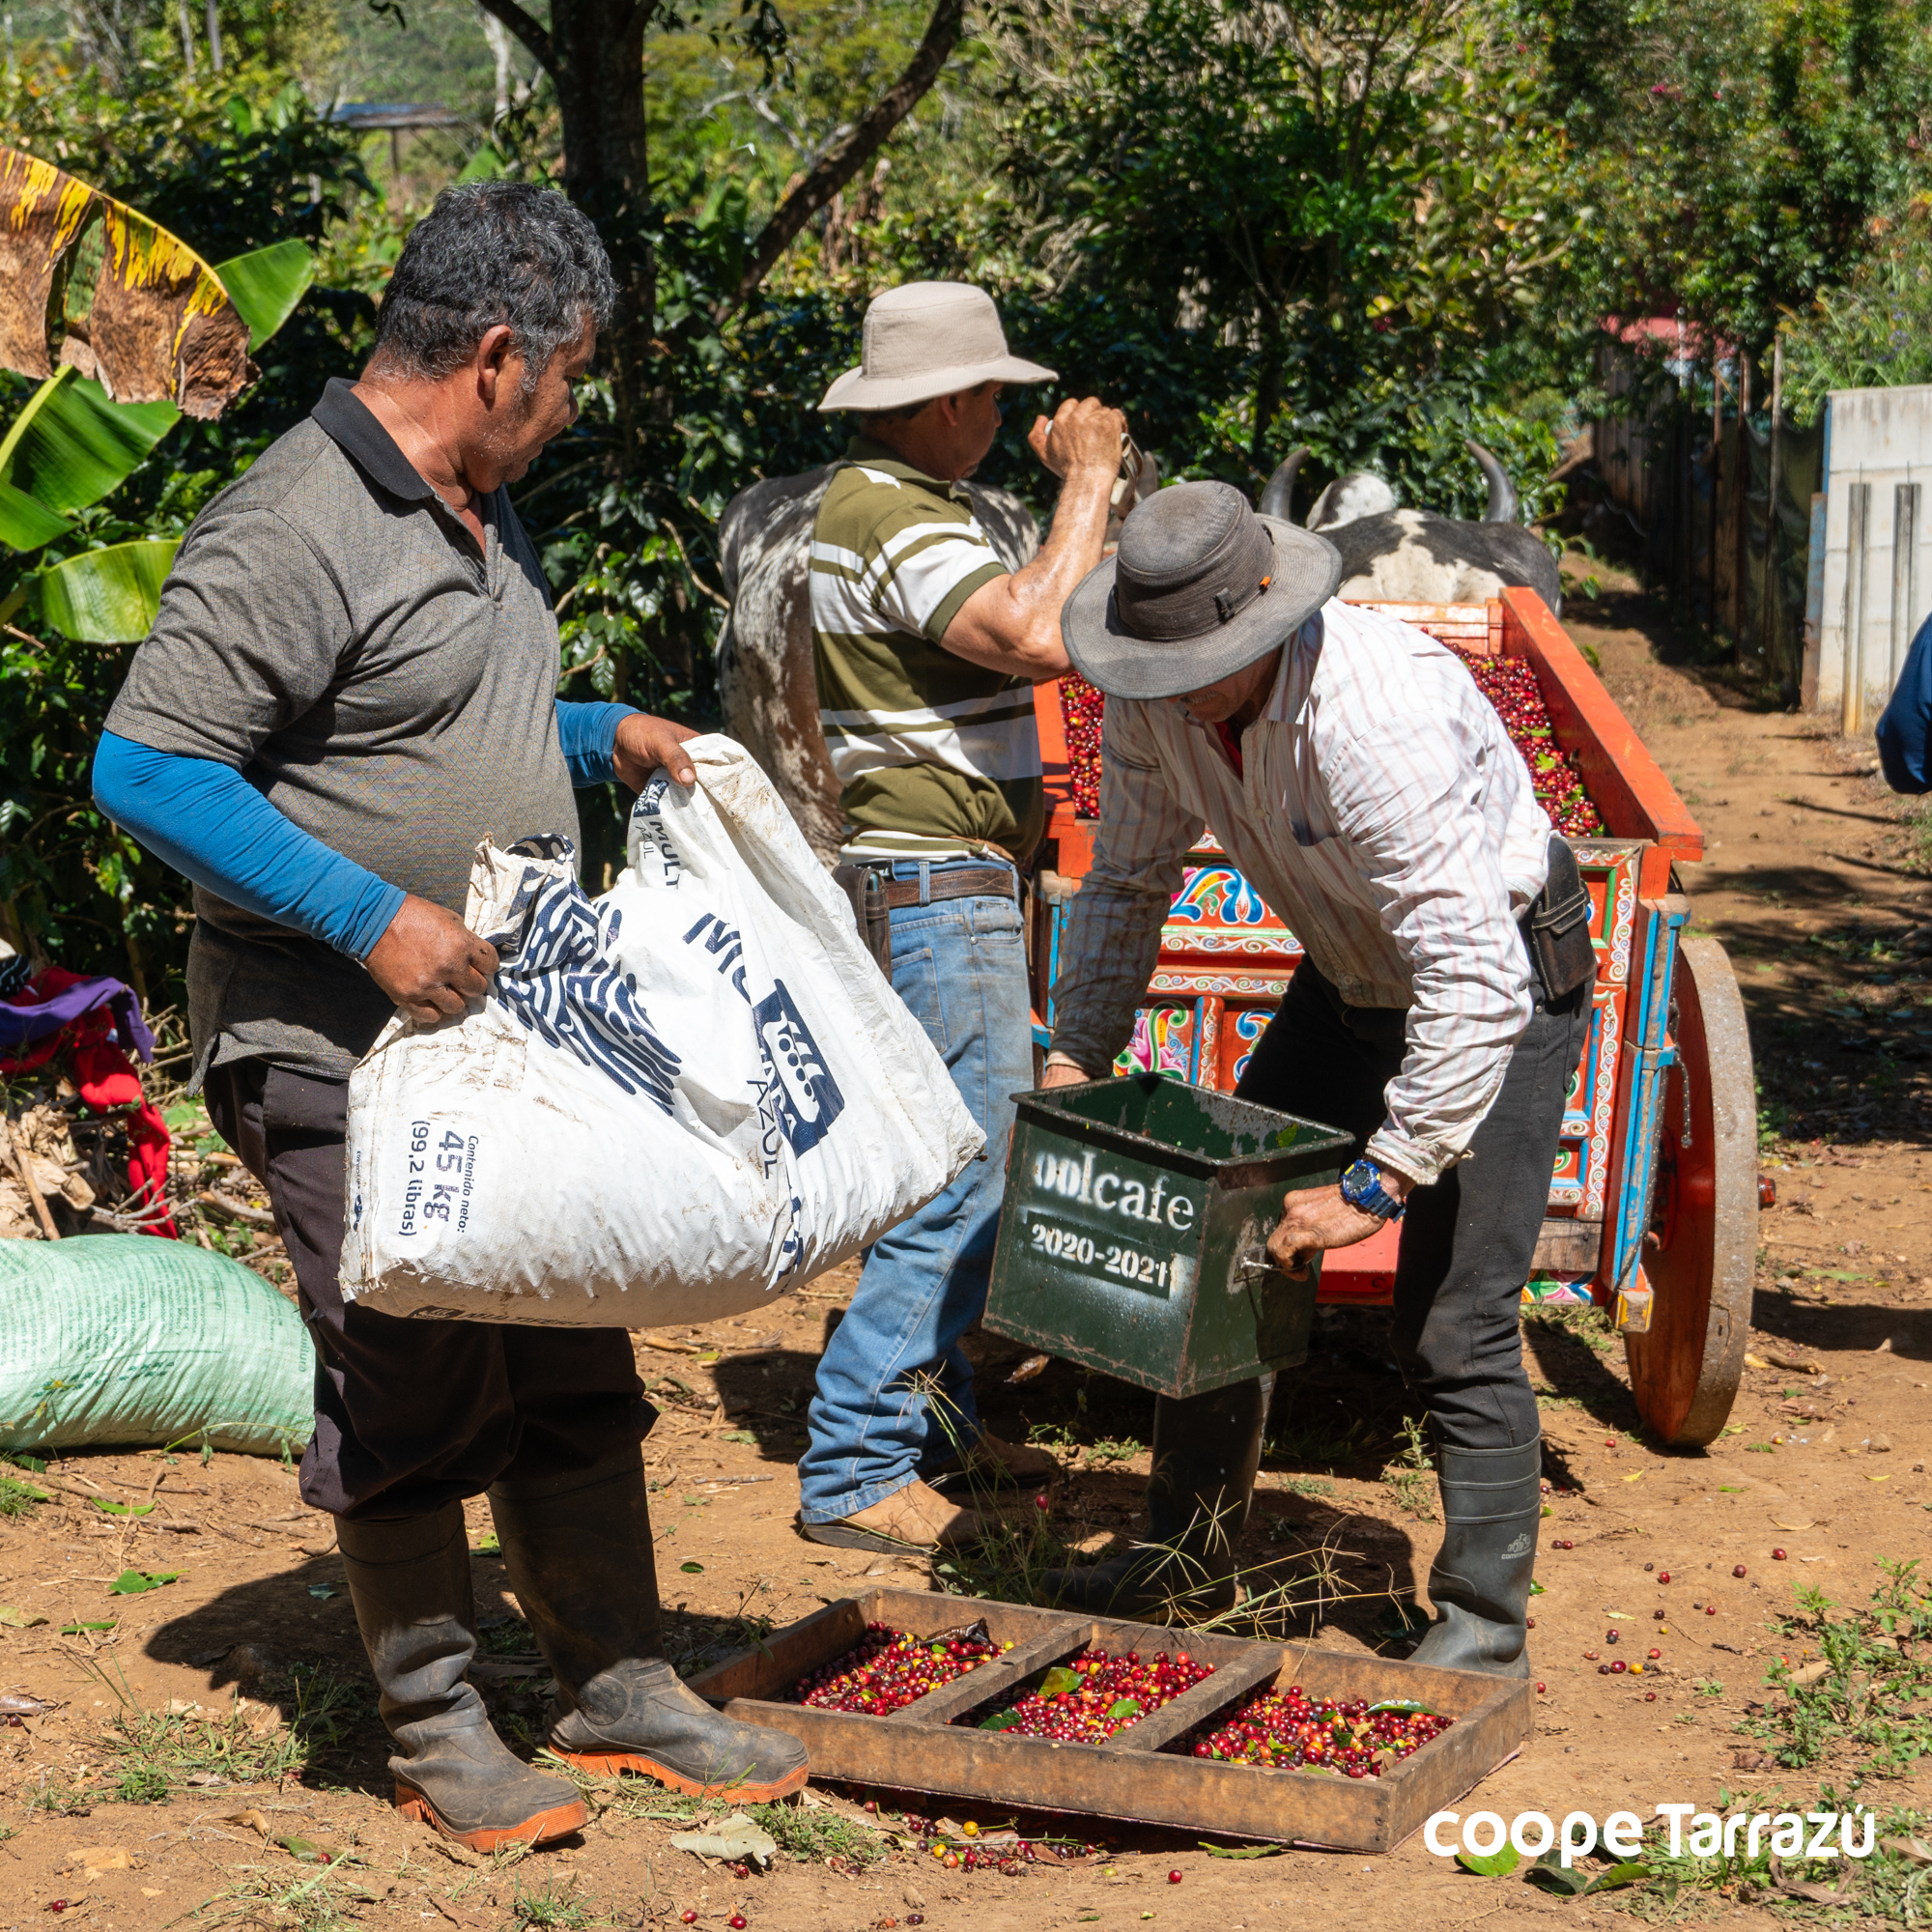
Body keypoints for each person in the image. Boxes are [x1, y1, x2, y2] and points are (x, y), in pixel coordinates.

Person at [91, 183, 808, 1848]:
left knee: (566, 1342)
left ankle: (614, 1681)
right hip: (335, 1045)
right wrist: (364, 913)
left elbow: (432, 717)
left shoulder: (472, 512)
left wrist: (600, 731)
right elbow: (146, 762)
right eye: (563, 384)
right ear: (499, 357)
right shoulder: (292, 524)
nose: (564, 419)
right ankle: (433, 1720)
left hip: (504, 1042)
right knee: (408, 1361)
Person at [1038, 481, 1594, 1676]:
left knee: (1452, 1324)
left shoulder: (1366, 713)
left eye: (1195, 666)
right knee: (1215, 1248)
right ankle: (1183, 1550)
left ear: (1266, 625)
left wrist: (1379, 1182)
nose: (1167, 692)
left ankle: (1482, 1624)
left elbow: (1472, 973)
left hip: (1504, 980)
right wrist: (1078, 1046)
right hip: (1348, 978)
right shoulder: (1148, 695)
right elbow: (1129, 880)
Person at [794, 281, 1128, 1552]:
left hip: (930, 877)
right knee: (974, 1162)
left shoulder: (917, 507)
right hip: (937, 879)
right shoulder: (887, 513)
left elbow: (1046, 588)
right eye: (990, 393)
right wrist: (1085, 480)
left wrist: (1069, 488)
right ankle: (858, 1460)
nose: (1002, 411)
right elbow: (1041, 634)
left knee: (945, 1153)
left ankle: (934, 1418)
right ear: (940, 402)